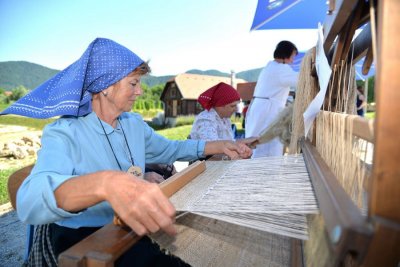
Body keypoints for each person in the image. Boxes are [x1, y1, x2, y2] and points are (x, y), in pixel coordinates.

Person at [0, 38, 252, 266]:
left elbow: (170, 149)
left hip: (128, 227)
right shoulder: (64, 132)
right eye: (134, 83)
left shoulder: (132, 124)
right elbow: (29, 201)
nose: (141, 91)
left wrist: (217, 146)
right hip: (84, 238)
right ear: (105, 86)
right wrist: (104, 184)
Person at [245, 40, 299, 158]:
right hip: (268, 110)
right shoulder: (281, 69)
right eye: (292, 56)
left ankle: (256, 170)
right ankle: (266, 174)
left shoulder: (270, 67)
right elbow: (300, 80)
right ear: (286, 54)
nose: (293, 60)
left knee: (256, 141)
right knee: (268, 144)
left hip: (260, 108)